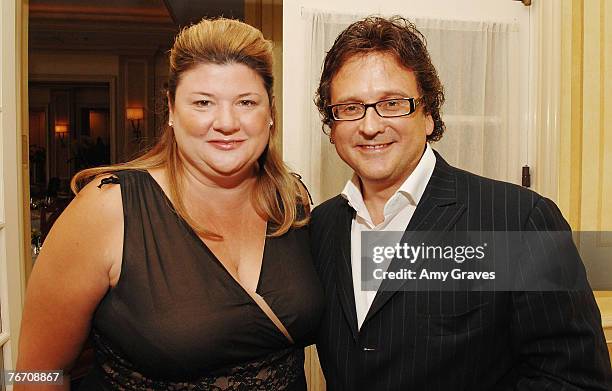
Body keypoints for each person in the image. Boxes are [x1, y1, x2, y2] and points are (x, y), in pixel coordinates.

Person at [17, 17, 324, 390]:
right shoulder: (108, 209)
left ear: (270, 111)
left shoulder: (291, 202)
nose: (226, 122)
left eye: (246, 102)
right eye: (203, 102)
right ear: (172, 109)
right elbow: (35, 373)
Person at [309, 16, 612, 390]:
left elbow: (573, 380)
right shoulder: (320, 227)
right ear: (333, 125)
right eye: (351, 107)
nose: (370, 125)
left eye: (392, 103)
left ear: (429, 115)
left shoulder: (518, 220)